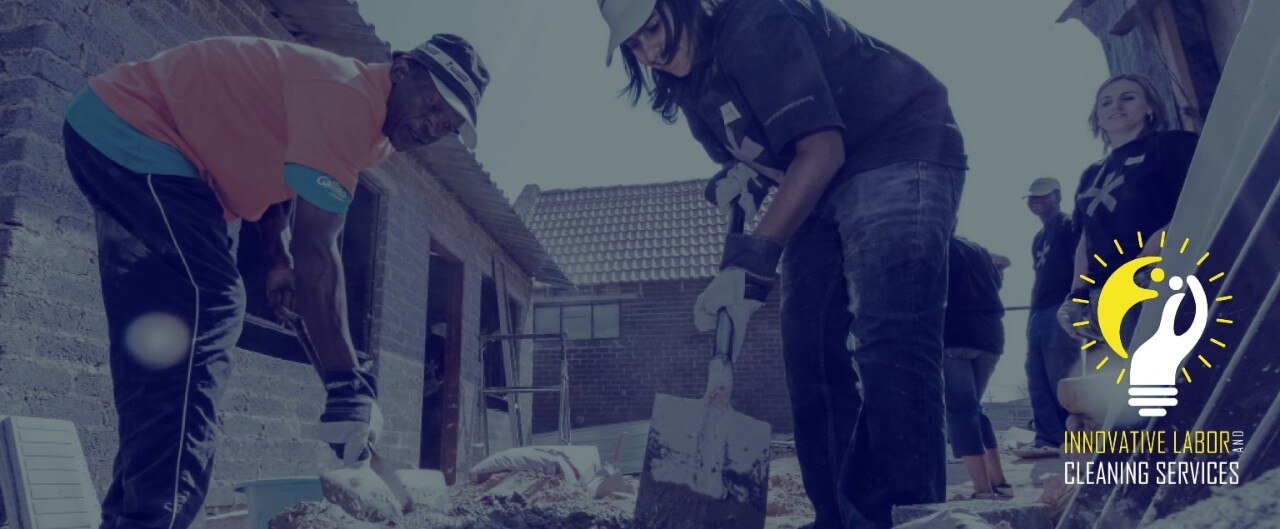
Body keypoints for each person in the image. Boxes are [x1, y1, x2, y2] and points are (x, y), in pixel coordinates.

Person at [62, 34, 488, 529]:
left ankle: (130, 519)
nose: (435, 124)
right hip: (139, 132)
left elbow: (286, 177)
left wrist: (276, 258)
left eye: (450, 124)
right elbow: (319, 252)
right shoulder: (349, 98)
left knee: (165, 359)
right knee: (212, 311)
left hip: (147, 153)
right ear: (402, 70)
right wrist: (346, 382)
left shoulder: (374, 129)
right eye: (435, 103)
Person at [597, 1, 967, 527]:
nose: (649, 51)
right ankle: (837, 518)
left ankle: (906, 515)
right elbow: (756, 153)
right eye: (633, 44)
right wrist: (742, 176)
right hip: (822, 185)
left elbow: (821, 149)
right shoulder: (691, 87)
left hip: (897, 144)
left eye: (653, 28)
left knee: (890, 333)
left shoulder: (757, 23)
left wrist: (752, 263)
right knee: (807, 345)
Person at [1057, 74, 1198, 352]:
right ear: (1097, 117)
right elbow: (1086, 239)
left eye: (1128, 98)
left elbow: (1205, 196)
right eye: (1105, 102)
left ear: (1150, 108)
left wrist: (1164, 238)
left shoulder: (1173, 145)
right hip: (1106, 299)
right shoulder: (1090, 175)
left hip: (1161, 279)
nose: (1115, 106)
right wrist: (1077, 297)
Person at [942, 237, 1008, 499]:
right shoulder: (978, 249)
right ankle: (999, 481)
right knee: (974, 407)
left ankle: (982, 489)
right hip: (990, 336)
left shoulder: (937, 247)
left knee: (961, 410)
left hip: (956, 336)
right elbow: (1001, 270)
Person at [1019, 177, 1078, 458]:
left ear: (1057, 195)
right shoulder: (1038, 238)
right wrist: (1030, 318)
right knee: (1036, 376)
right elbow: (1038, 278)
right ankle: (1049, 439)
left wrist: (1077, 303)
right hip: (1040, 314)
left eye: (1042, 196)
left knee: (1060, 374)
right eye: (1032, 197)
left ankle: (1073, 436)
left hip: (1061, 306)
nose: (1036, 201)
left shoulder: (1069, 225)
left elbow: (1082, 263)